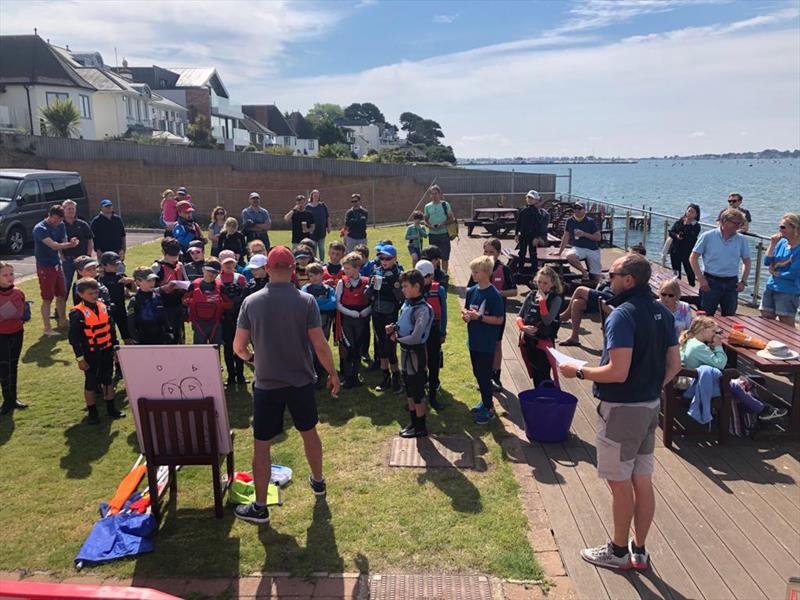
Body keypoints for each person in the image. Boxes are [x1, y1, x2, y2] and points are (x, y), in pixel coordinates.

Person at [559, 253, 681, 572]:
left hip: (622, 411)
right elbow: (675, 365)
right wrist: (653, 388)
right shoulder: (663, 313)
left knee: (619, 482)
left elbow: (618, 371)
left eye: (611, 274)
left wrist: (579, 370)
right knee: (642, 479)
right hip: (649, 408)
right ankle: (638, 550)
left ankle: (617, 551)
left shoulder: (621, 316)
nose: (606, 279)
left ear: (628, 280)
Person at [233, 246, 341, 525]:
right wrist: (333, 373)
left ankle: (259, 506)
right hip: (300, 382)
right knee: (309, 433)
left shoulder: (251, 302)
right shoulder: (306, 301)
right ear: (294, 270)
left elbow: (238, 347)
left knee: (262, 445)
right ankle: (318, 481)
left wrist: (253, 359)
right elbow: (320, 344)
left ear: (267, 269)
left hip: (267, 384)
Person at [680, 317, 787, 422]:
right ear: (703, 330)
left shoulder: (691, 342)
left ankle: (761, 408)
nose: (716, 334)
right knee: (736, 384)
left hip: (695, 379)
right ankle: (762, 410)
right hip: (699, 384)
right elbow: (721, 364)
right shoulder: (699, 347)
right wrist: (718, 346)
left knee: (739, 381)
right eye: (714, 331)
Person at [68, 278, 126, 424]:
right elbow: (74, 338)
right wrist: (80, 358)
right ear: (81, 294)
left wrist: (114, 346)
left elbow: (111, 329)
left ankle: (111, 408)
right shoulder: (77, 313)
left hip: (106, 349)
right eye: (90, 293)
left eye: (95, 293)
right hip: (90, 353)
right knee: (91, 382)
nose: (94, 296)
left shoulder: (104, 307)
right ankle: (92, 412)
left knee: (108, 380)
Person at [467, 238, 517, 389]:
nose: (488, 255)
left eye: (492, 252)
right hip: (478, 315)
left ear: (499, 253)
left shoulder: (504, 269)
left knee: (496, 344)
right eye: (486, 251)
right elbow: (469, 288)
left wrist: (496, 293)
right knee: (479, 344)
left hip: (496, 313)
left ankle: (496, 375)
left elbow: (514, 291)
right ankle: (483, 376)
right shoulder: (478, 268)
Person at [391, 270, 434, 438]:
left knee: (417, 392)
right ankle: (413, 422)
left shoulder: (422, 309)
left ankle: (421, 427)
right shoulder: (408, 303)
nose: (403, 289)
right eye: (402, 286)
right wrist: (394, 328)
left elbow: (416, 337)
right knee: (408, 389)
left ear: (417, 287)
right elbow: (402, 323)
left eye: (406, 286)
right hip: (405, 352)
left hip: (416, 353)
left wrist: (397, 339)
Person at [463, 256, 506, 425]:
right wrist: (466, 316)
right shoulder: (472, 291)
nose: (473, 274)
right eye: (472, 271)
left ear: (486, 273)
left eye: (476, 272)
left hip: (486, 343)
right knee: (477, 373)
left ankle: (489, 409)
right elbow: (467, 311)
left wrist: (479, 318)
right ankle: (484, 401)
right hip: (474, 340)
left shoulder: (494, 295)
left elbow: (499, 320)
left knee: (484, 375)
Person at [690, 208, 751, 316]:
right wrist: (701, 279)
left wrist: (743, 281)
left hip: (732, 284)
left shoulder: (741, 240)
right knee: (705, 317)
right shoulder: (708, 236)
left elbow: (747, 261)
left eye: (740, 224)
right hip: (710, 282)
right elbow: (693, 258)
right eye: (735, 223)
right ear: (724, 221)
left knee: (730, 317)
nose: (738, 227)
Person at [365, 244, 405, 393]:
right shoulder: (376, 271)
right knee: (381, 346)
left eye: (388, 258)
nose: (384, 261)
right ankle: (385, 377)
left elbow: (401, 298)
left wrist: (394, 282)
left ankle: (396, 377)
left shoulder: (399, 273)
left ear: (394, 259)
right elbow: (368, 296)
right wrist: (371, 286)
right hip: (377, 313)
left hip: (391, 314)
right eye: (381, 258)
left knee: (390, 348)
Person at [34, 204, 78, 336]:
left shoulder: (61, 225)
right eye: (57, 219)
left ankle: (62, 321)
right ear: (51, 216)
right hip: (45, 266)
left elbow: (62, 241)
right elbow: (53, 245)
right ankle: (47, 328)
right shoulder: (40, 229)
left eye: (60, 220)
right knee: (47, 298)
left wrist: (70, 242)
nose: (59, 222)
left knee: (62, 294)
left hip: (57, 265)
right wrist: (69, 244)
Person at [518, 267, 563, 386]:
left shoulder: (556, 299)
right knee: (534, 373)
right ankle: (537, 399)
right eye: (539, 282)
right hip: (529, 341)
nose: (541, 286)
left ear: (552, 284)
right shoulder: (531, 295)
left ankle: (546, 400)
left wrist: (542, 303)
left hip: (544, 343)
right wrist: (522, 327)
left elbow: (547, 320)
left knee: (543, 374)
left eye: (545, 283)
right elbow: (519, 316)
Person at [335, 252, 371, 389]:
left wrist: (364, 312)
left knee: (358, 347)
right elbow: (337, 303)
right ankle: (348, 377)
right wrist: (351, 313)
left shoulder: (367, 282)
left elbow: (371, 301)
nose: (345, 271)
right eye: (344, 268)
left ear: (357, 268)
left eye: (348, 268)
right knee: (347, 347)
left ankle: (356, 375)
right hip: (347, 319)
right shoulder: (342, 282)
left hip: (362, 319)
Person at [416, 260, 447, 411]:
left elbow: (444, 313)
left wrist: (442, 331)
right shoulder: (414, 289)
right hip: (418, 332)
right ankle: (419, 394)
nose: (422, 280)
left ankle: (433, 396)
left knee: (434, 364)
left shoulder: (438, 290)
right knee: (418, 363)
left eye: (425, 277)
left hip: (434, 331)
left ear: (431, 276)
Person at [0, 262, 30, 414]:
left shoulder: (19, 292)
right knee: (4, 367)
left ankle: (13, 399)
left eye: (11, 274)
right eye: (5, 275)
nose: (10, 277)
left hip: (17, 332)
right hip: (1, 335)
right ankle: (7, 400)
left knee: (13, 366)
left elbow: (23, 312)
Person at [760, 213, 800, 325]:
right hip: (771, 286)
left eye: (783, 227)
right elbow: (767, 262)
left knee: (785, 323)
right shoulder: (781, 243)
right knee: (766, 319)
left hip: (788, 291)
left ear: (795, 228)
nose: (780, 230)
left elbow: (794, 273)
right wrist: (772, 244)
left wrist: (775, 273)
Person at [183, 259, 232, 345]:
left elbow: (230, 304)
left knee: (215, 349)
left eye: (215, 272)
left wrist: (219, 303)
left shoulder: (220, 286)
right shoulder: (194, 285)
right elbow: (184, 301)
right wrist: (192, 301)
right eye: (209, 271)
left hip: (215, 323)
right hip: (198, 323)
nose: (211, 274)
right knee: (199, 349)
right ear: (203, 269)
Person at [217, 251, 248, 387]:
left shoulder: (240, 278)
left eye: (231, 263)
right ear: (221, 265)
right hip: (224, 319)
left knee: (240, 346)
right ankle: (231, 377)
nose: (229, 266)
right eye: (226, 263)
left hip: (239, 318)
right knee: (228, 348)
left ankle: (240, 375)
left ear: (235, 264)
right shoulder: (217, 279)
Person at [303, 263, 337, 386]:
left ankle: (322, 371)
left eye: (317, 274)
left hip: (324, 324)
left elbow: (333, 304)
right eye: (311, 275)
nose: (315, 278)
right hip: (310, 326)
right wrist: (322, 303)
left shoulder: (328, 289)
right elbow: (305, 304)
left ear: (322, 274)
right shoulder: (306, 289)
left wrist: (315, 304)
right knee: (310, 349)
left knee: (322, 347)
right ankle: (311, 373)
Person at [97, 252, 135, 360]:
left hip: (121, 311)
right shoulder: (99, 279)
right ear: (104, 265)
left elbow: (133, 290)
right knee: (112, 341)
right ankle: (118, 365)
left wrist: (131, 281)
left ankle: (132, 360)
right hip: (106, 313)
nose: (116, 266)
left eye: (117, 264)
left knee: (128, 337)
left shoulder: (120, 276)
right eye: (112, 264)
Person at [152, 237, 188, 344]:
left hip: (178, 306)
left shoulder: (180, 265)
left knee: (179, 336)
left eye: (176, 255)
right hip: (163, 307)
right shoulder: (157, 267)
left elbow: (187, 282)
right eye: (171, 255)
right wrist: (162, 289)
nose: (174, 258)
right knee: (167, 337)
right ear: (163, 252)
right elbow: (147, 289)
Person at [558, 202, 602, 283]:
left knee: (597, 277)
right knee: (570, 256)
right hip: (578, 248)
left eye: (579, 208)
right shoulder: (570, 221)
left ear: (584, 210)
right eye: (575, 208)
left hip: (592, 249)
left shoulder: (590, 221)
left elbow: (598, 237)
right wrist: (559, 252)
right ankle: (585, 273)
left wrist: (584, 234)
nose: (577, 210)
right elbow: (566, 236)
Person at [127, 267, 172, 345]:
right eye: (149, 281)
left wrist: (169, 331)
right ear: (138, 282)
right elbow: (131, 323)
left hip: (159, 337)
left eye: (154, 280)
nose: (152, 283)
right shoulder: (134, 301)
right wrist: (135, 338)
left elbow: (163, 316)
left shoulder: (158, 297)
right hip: (143, 338)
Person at [61, 199, 94, 291]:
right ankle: (62, 305)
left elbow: (89, 239)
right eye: (68, 209)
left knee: (84, 284)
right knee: (65, 285)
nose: (71, 211)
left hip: (82, 259)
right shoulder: (60, 225)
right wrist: (62, 257)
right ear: (63, 210)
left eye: (73, 208)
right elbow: (57, 243)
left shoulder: (82, 224)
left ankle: (82, 303)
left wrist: (88, 255)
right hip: (67, 259)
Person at [423, 185, 455, 273]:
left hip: (444, 235)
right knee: (434, 258)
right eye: (432, 194)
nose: (434, 195)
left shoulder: (445, 204)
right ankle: (437, 276)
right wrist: (430, 226)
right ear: (430, 195)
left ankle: (444, 276)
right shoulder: (427, 206)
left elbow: (451, 219)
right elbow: (425, 220)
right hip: (433, 235)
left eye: (436, 193)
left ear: (439, 194)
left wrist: (442, 224)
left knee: (445, 257)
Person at [515, 190, 549, 272]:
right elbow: (518, 222)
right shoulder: (522, 210)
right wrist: (516, 234)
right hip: (523, 235)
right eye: (528, 197)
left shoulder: (538, 212)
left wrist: (537, 237)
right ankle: (520, 269)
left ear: (536, 200)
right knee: (521, 252)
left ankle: (534, 269)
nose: (529, 199)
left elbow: (538, 226)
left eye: (532, 198)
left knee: (533, 253)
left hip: (533, 236)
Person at [668, 204, 701, 286]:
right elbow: (671, 232)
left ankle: (692, 286)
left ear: (696, 215)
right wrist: (677, 236)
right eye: (689, 210)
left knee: (689, 270)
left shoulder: (696, 225)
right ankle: (676, 285)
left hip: (687, 251)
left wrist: (687, 225)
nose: (690, 213)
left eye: (692, 212)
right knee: (676, 270)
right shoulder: (679, 221)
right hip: (675, 249)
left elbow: (691, 237)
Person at [91, 199, 126, 263]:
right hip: (103, 252)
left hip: (117, 251)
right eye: (106, 206)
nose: (109, 208)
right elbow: (94, 238)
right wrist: (98, 251)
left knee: (119, 271)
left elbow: (122, 235)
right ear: (101, 208)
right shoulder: (96, 221)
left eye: (110, 206)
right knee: (105, 271)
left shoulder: (117, 219)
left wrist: (123, 249)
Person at [306, 189, 330, 261]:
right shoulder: (308, 207)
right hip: (312, 231)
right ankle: (315, 261)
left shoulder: (322, 205)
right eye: (314, 195)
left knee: (321, 248)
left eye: (317, 195)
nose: (316, 196)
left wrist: (329, 226)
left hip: (321, 230)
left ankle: (322, 261)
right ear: (312, 196)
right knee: (313, 248)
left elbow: (327, 217)